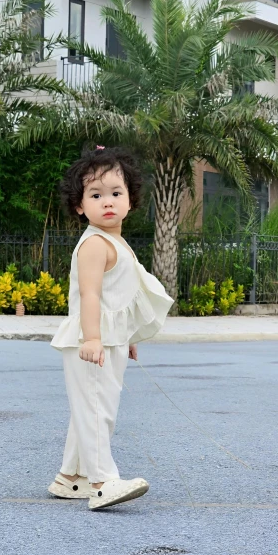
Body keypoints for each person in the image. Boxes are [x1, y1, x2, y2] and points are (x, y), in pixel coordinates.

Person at [48, 146, 174, 510]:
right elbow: (90, 295)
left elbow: (118, 297)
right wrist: (92, 338)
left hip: (108, 339)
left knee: (90, 406)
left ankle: (70, 478)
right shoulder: (94, 245)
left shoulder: (116, 242)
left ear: (131, 200)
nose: (107, 202)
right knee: (96, 409)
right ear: (79, 205)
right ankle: (103, 482)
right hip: (90, 340)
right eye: (95, 194)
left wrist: (127, 336)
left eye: (116, 193)